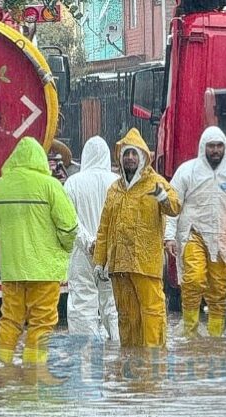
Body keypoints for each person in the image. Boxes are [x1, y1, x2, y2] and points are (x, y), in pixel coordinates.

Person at [0, 136, 78, 367]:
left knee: (10, 319)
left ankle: (3, 368)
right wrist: (62, 249)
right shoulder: (50, 186)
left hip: (12, 270)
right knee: (41, 322)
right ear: (40, 159)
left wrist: (10, 245)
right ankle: (33, 371)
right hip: (45, 270)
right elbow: (69, 226)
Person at [93, 128, 181, 348]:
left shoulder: (155, 182)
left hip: (145, 264)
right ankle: (130, 363)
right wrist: (99, 261)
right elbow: (104, 228)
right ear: (120, 157)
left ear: (142, 157)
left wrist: (162, 196)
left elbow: (175, 207)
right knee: (126, 316)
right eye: (126, 154)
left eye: (134, 154)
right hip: (119, 265)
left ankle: (153, 361)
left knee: (152, 313)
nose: (130, 158)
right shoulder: (114, 189)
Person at [164, 126, 226, 337]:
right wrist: (169, 236)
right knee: (193, 280)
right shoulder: (187, 171)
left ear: (225, 147)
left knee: (219, 291)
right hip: (193, 235)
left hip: (224, 239)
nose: (215, 150)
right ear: (203, 146)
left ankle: (215, 339)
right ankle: (190, 332)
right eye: (211, 146)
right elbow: (172, 205)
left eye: (219, 146)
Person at [64, 136, 120, 342]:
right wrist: (106, 246)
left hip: (82, 255)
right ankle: (119, 353)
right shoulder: (117, 183)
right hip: (111, 254)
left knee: (82, 305)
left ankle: (86, 359)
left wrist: (89, 243)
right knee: (113, 304)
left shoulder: (72, 183)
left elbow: (69, 222)